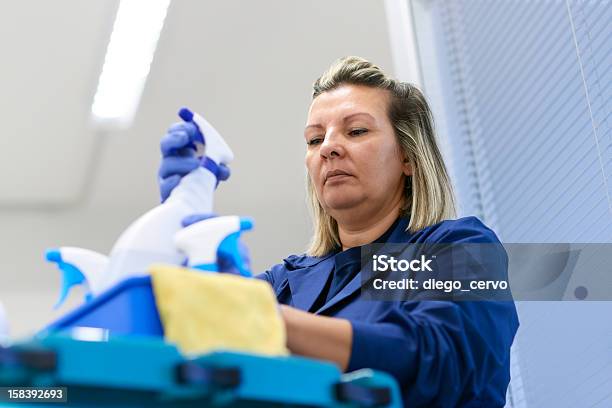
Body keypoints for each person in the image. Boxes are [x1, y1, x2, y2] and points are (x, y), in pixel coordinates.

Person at [158, 56, 519, 407]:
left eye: (357, 130)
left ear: (408, 157)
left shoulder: (459, 247)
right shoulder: (285, 284)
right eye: (315, 140)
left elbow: (442, 363)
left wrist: (266, 320)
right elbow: (186, 344)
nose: (328, 147)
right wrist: (179, 218)